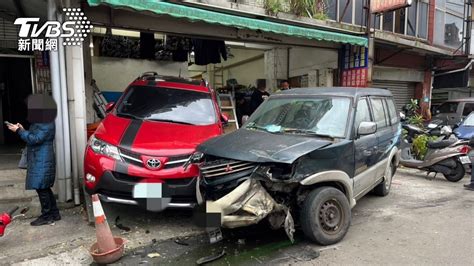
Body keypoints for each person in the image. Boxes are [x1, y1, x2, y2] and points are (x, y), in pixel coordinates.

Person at [6, 94, 60, 226]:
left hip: (42, 159)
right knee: (44, 187)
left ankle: (47, 215)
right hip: (40, 158)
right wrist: (23, 129)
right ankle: (54, 213)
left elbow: (35, 139)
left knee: (41, 187)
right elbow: (34, 136)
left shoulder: (46, 121)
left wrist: (19, 131)